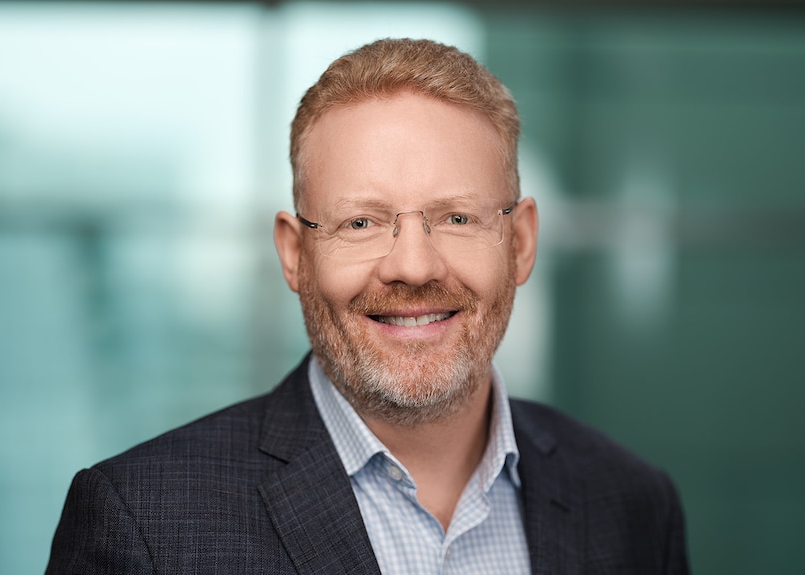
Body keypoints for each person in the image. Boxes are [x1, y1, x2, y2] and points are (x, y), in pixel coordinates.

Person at [46, 38, 689, 574]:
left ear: (519, 243)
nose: (413, 266)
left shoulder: (631, 504)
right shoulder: (143, 524)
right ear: (295, 254)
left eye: (458, 217)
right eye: (361, 223)